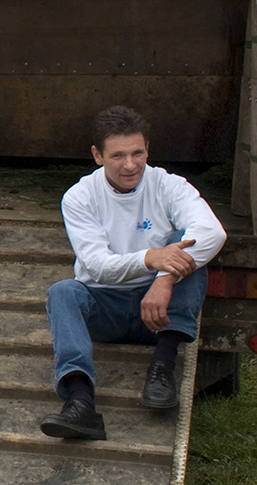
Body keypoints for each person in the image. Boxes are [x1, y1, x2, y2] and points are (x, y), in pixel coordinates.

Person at [39, 105, 226, 440]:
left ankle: (162, 370)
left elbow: (214, 233)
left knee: (186, 248)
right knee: (62, 291)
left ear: (148, 149)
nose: (130, 165)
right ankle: (81, 403)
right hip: (106, 308)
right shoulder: (79, 197)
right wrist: (151, 259)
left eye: (138, 153)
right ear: (97, 155)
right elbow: (96, 265)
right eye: (118, 155)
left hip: (159, 315)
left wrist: (164, 279)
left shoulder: (168, 185)